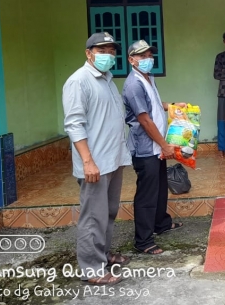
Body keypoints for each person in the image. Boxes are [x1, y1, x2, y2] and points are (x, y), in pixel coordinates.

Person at [62, 32, 131, 285]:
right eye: (102, 50)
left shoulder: (108, 80)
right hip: (95, 163)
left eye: (112, 50)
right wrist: (88, 161)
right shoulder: (78, 82)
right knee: (93, 215)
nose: (108, 55)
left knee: (108, 212)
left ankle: (103, 254)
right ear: (88, 53)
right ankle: (92, 269)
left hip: (112, 159)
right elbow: (74, 124)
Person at [122, 40, 184, 256]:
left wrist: (173, 106)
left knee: (159, 188)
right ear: (131, 60)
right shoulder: (133, 85)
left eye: (149, 55)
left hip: (156, 146)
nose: (148, 59)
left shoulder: (148, 78)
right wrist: (164, 145)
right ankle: (143, 241)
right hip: (146, 148)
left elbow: (155, 106)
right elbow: (145, 120)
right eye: (142, 56)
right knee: (147, 195)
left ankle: (161, 224)